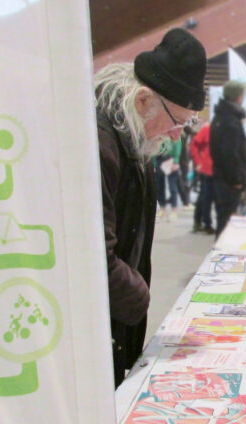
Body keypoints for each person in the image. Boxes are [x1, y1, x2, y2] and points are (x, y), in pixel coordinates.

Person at [94, 28, 206, 387]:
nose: (177, 136)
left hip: (112, 317)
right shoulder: (98, 146)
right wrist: (139, 296)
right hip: (93, 322)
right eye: (178, 122)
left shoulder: (129, 137)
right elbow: (94, 255)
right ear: (143, 100)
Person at [210, 80, 246, 237]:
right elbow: (230, 153)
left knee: (224, 219)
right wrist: (237, 179)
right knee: (227, 221)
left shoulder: (220, 117)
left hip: (222, 178)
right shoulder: (230, 120)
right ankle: (221, 256)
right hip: (228, 181)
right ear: (239, 97)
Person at [190, 122, 215, 234]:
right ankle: (206, 224)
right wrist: (198, 162)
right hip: (206, 168)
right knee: (206, 197)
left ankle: (198, 221)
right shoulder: (208, 129)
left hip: (215, 169)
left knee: (204, 196)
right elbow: (194, 144)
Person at [154, 137, 181, 221]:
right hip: (159, 158)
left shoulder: (173, 129)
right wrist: (154, 164)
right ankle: (162, 208)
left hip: (170, 158)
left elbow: (177, 143)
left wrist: (176, 161)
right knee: (159, 186)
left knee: (172, 186)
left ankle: (174, 209)